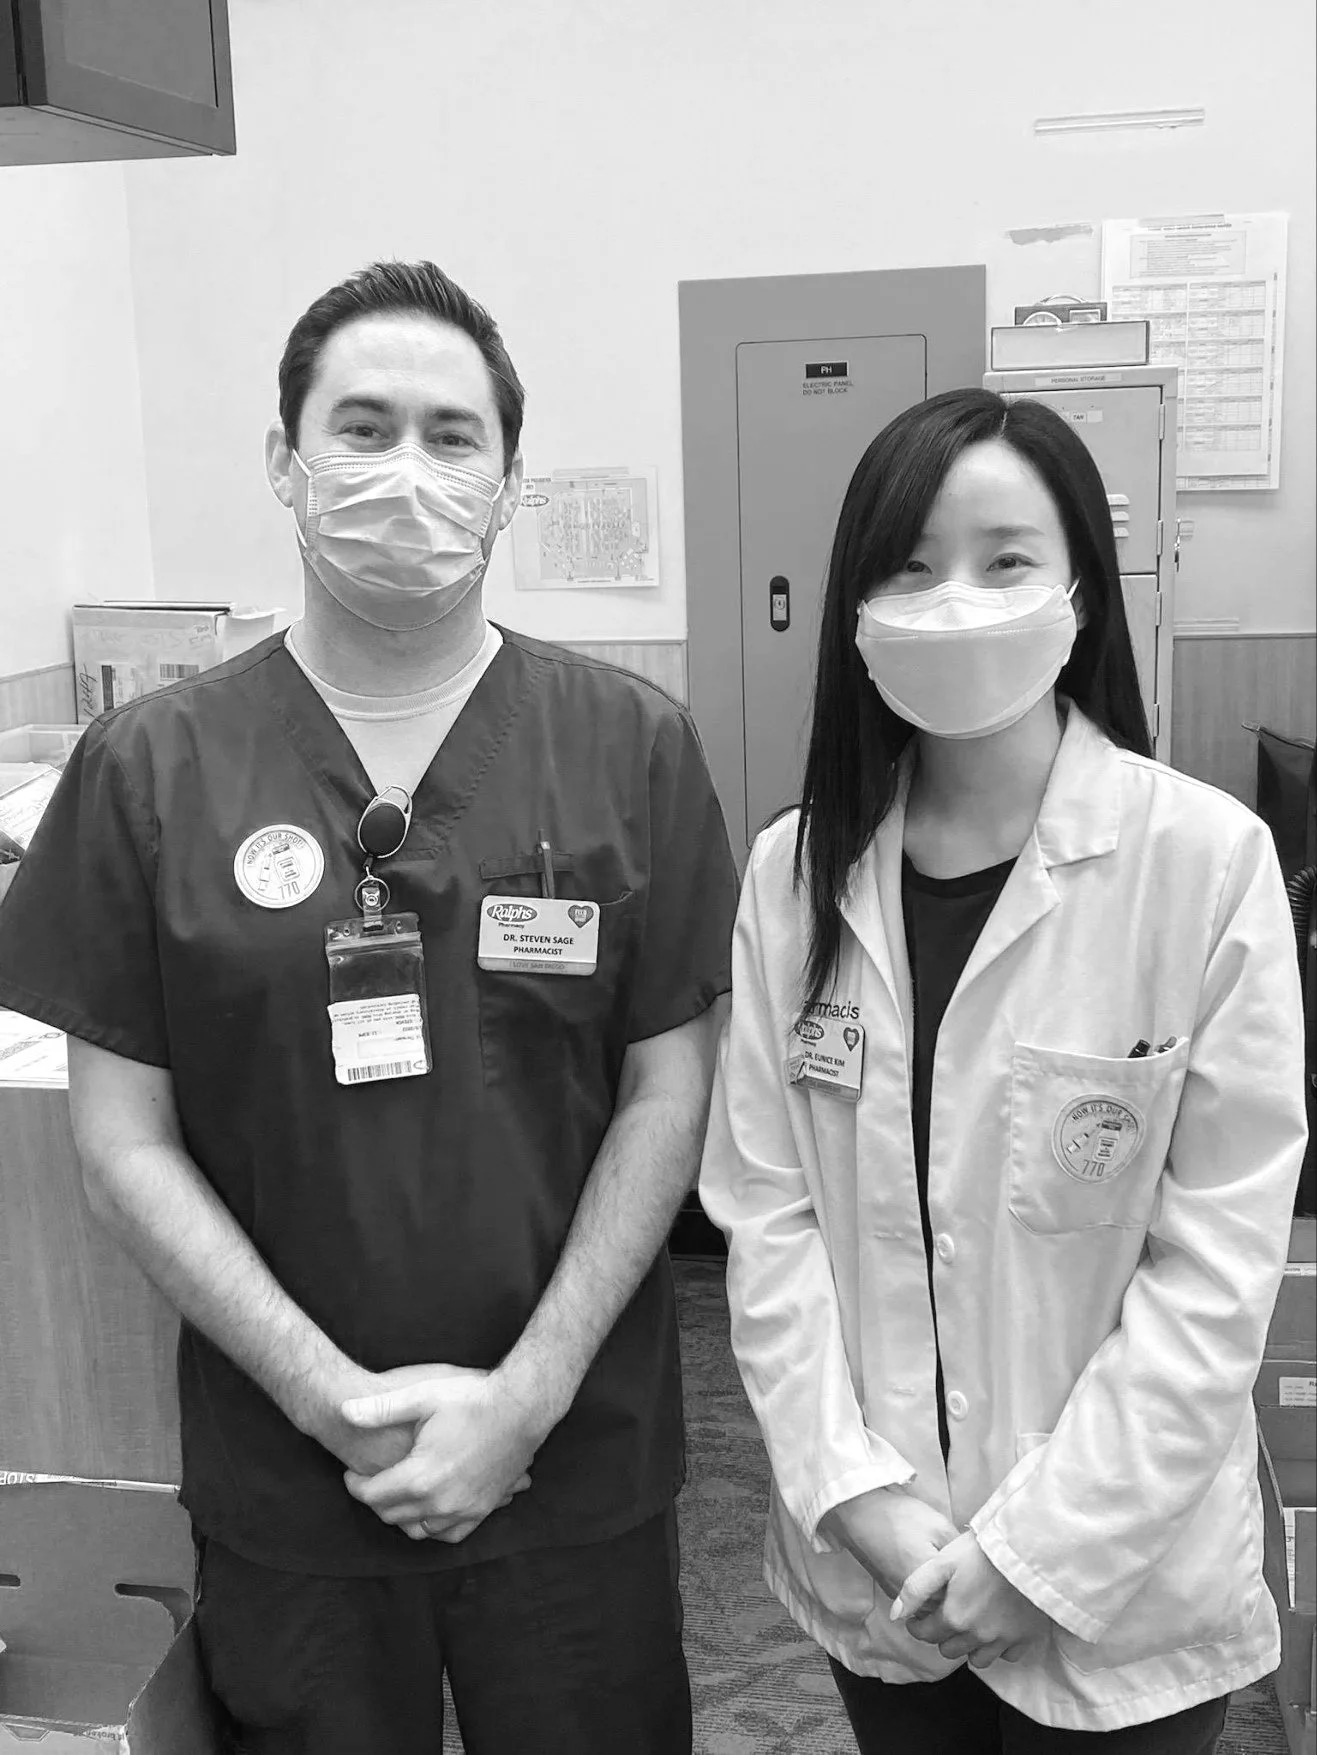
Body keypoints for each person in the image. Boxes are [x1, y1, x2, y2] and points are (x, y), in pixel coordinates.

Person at [0, 260, 739, 1754]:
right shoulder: (149, 771)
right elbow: (119, 1142)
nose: (410, 469)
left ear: (510, 482)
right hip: (295, 1468)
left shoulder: (631, 750)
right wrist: (328, 1394)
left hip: (571, 1458)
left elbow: (673, 1096)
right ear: (286, 461)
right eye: (364, 425)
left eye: (453, 436)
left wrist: (526, 1400)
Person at [698, 387, 1307, 1753]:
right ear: (855, 611)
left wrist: (1035, 1549)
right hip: (882, 1568)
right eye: (910, 566)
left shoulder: (1202, 866)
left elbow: (1215, 1270)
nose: (955, 601)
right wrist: (853, 1493)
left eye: (1006, 560)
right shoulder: (793, 878)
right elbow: (765, 1213)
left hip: (1122, 1595)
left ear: (1083, 593)